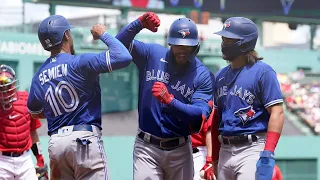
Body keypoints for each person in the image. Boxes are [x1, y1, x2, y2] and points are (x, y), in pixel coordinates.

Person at [27, 15, 132, 179]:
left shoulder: (38, 76)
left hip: (56, 144)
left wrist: (57, 111)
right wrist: (103, 34)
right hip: (84, 140)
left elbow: (34, 113)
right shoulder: (80, 62)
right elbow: (123, 57)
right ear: (66, 35)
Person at [116, 12, 214, 180]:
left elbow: (198, 115)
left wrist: (170, 101)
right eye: (178, 45)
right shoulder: (152, 54)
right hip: (147, 147)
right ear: (170, 43)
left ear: (196, 46)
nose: (182, 50)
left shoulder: (203, 75)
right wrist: (139, 23)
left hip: (180, 148)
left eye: (187, 46)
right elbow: (118, 43)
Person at [212, 17, 284, 180]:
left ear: (244, 43)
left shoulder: (263, 72)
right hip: (225, 149)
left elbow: (277, 112)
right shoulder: (220, 76)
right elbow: (216, 120)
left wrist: (268, 152)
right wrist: (214, 157)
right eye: (223, 38)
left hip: (251, 148)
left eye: (229, 39)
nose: (223, 43)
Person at [0, 64, 48, 180]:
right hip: (2, 160)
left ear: (13, 83)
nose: (5, 90)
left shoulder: (25, 99)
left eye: (7, 85)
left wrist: (39, 158)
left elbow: (33, 133)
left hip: (25, 160)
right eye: (1, 86)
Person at [191, 108, 217, 180]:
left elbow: (210, 132)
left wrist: (209, 160)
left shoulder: (203, 103)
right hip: (178, 151)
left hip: (198, 154)